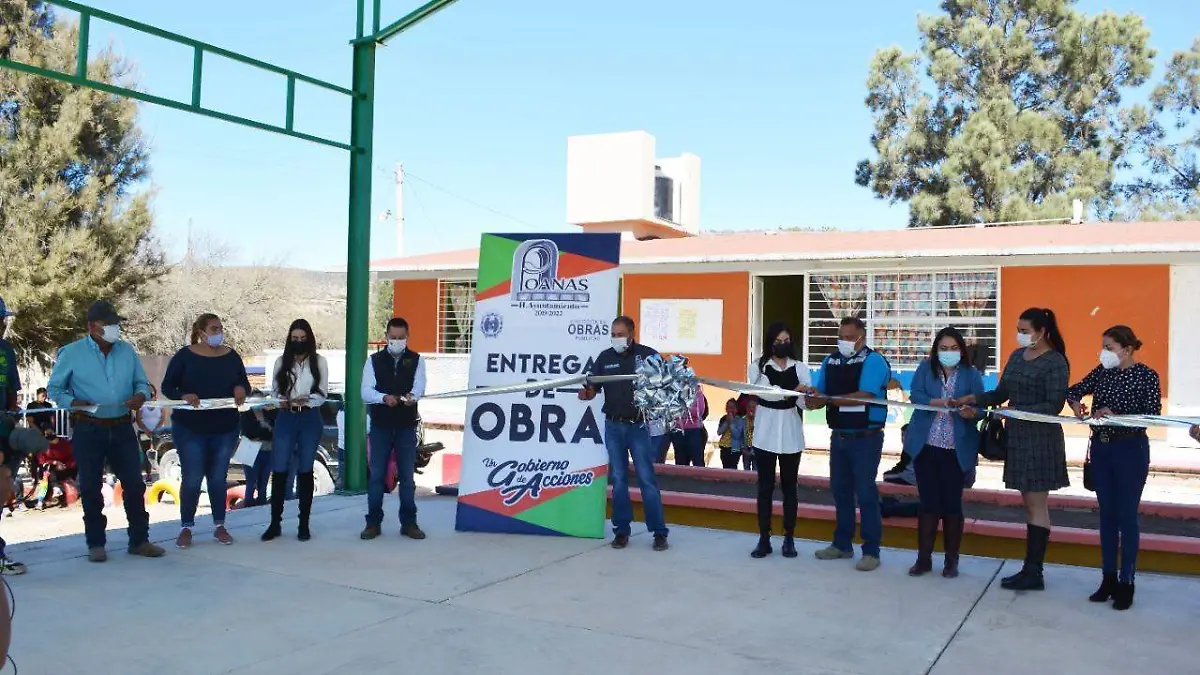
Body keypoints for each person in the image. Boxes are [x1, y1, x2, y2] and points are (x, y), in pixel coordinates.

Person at [956, 307, 1069, 592]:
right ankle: (1030, 569)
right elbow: (1001, 392)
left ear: (1042, 331)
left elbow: (1053, 405)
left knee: (1036, 503)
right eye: (1018, 330)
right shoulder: (1017, 356)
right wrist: (976, 399)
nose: (1020, 335)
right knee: (1028, 503)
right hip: (1016, 438)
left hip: (1041, 440)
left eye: (1025, 330)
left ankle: (1034, 570)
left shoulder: (1055, 362)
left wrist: (1015, 411)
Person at [46, 300, 165, 562]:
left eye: (116, 324)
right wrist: (73, 402)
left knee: (134, 485)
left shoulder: (127, 351)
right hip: (89, 428)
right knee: (90, 487)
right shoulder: (72, 353)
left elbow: (142, 383)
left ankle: (140, 540)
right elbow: (55, 389)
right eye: (108, 324)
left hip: (122, 426)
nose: (114, 329)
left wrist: (140, 396)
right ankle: (96, 544)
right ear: (92, 326)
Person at [1066, 325, 1159, 610]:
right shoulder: (1102, 372)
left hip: (1130, 450)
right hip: (1102, 449)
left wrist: (1116, 415)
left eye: (1109, 347)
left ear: (1127, 349)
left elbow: (1152, 415)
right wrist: (1076, 405)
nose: (1104, 353)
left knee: (1126, 516)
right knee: (1107, 515)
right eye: (1103, 347)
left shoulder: (1147, 376)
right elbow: (1074, 390)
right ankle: (1108, 578)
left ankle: (1126, 582)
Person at [809, 316, 892, 571]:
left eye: (850, 337)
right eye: (841, 337)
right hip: (839, 436)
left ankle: (871, 551)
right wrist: (810, 398)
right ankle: (842, 544)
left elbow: (865, 396)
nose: (844, 341)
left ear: (862, 337)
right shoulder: (830, 361)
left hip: (866, 438)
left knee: (866, 493)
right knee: (840, 491)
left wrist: (828, 399)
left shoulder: (874, 361)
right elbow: (820, 394)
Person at [160, 313, 250, 548]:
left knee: (218, 478)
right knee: (192, 477)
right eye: (213, 329)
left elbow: (244, 382)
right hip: (190, 428)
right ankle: (186, 527)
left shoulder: (231, 356)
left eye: (220, 328)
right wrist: (184, 395)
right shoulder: (184, 356)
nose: (218, 332)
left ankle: (220, 525)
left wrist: (241, 388)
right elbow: (168, 386)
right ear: (201, 333)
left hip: (225, 427)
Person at [580, 316, 668, 551]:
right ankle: (621, 531)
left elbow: (664, 384)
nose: (616, 338)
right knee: (618, 479)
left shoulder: (648, 355)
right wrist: (586, 394)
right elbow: (592, 389)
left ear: (631, 334)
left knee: (646, 479)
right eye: (613, 334)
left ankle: (659, 532)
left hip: (638, 427)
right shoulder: (604, 358)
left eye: (620, 334)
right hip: (613, 427)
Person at [904, 327, 985, 578]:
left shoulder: (972, 374)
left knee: (952, 505)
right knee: (928, 504)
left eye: (953, 348)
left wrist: (971, 412)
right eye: (943, 348)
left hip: (955, 450)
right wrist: (941, 402)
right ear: (936, 350)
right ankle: (923, 559)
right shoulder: (925, 369)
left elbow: (982, 406)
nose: (948, 353)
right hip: (926, 446)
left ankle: (951, 562)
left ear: (961, 350)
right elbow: (916, 395)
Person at [745, 322, 812, 559]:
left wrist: (807, 396)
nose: (783, 345)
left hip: (791, 434)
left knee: (790, 488)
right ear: (770, 342)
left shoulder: (800, 367)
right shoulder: (758, 367)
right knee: (765, 488)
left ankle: (789, 538)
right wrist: (794, 390)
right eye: (778, 341)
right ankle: (764, 538)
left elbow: (803, 402)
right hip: (765, 433)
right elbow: (768, 394)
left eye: (786, 341)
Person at [360, 317, 427, 541]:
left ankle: (409, 523)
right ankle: (373, 523)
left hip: (406, 426)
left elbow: (420, 386)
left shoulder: (417, 360)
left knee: (407, 478)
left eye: (401, 337)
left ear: (407, 337)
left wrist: (413, 396)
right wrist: (383, 398)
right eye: (393, 337)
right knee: (376, 476)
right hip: (380, 426)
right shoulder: (373, 361)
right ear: (386, 336)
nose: (397, 341)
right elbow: (365, 391)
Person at [262, 319, 329, 542]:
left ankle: (304, 524)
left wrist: (307, 399)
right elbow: (273, 391)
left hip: (309, 416)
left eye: (302, 338)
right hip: (286, 417)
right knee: (280, 468)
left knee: (305, 469)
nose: (298, 341)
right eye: (294, 338)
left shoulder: (319, 362)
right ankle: (275, 523)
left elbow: (322, 394)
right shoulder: (281, 362)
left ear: (309, 338)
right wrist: (280, 399)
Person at [239, 391, 277, 507]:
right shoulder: (246, 414)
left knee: (263, 482)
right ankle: (248, 506)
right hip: (250, 450)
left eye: (260, 400)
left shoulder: (270, 414)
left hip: (267, 450)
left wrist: (263, 431)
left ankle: (262, 505)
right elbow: (249, 433)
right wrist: (265, 429)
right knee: (251, 482)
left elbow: (274, 432)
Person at [35, 423, 76, 509]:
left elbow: (71, 458)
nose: (49, 435)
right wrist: (54, 462)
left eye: (50, 432)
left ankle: (59, 491)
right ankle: (46, 496)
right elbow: (41, 460)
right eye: (46, 433)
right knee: (47, 473)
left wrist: (64, 465)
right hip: (49, 468)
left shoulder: (64, 444)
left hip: (64, 467)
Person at [671, 387, 709, 467]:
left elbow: (700, 411)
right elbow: (671, 410)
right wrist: (688, 409)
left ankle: (699, 475)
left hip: (694, 430)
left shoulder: (697, 391)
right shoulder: (674, 390)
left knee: (697, 460)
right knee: (680, 461)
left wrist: (682, 409)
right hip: (678, 430)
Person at [135, 385, 165, 481]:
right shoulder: (141, 405)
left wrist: (155, 431)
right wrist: (146, 431)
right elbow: (138, 419)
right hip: (144, 433)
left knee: (159, 452)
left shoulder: (160, 404)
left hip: (158, 432)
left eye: (151, 392)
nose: (150, 394)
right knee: (146, 453)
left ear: (155, 393)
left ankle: (161, 474)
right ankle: (148, 475)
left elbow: (162, 418)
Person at [717, 399, 747, 470]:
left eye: (733, 408)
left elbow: (737, 435)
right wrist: (726, 422)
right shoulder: (723, 419)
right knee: (725, 467)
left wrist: (731, 423)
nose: (730, 410)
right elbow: (719, 432)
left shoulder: (740, 420)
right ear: (726, 409)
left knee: (733, 467)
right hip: (724, 448)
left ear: (737, 409)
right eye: (728, 408)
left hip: (734, 449)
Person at [0, 297, 18, 413]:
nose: (2, 323)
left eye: (1, 319)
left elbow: (12, 385)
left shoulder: (6, 349)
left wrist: (12, 409)